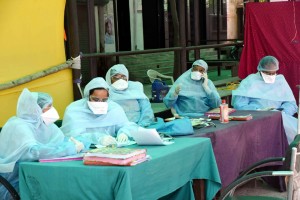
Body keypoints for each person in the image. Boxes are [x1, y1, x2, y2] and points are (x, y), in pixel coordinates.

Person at [0, 88, 84, 199]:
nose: (52, 110)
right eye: (48, 108)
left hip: (38, 175)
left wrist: (78, 142)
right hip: (16, 183)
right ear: (35, 109)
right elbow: (34, 152)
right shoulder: (17, 125)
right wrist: (68, 149)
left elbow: (62, 140)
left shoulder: (45, 124)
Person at [232, 55, 298, 144]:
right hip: (256, 117)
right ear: (260, 70)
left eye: (273, 73)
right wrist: (259, 111)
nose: (270, 76)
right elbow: (239, 104)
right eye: (267, 73)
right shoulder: (250, 81)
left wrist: (283, 111)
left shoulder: (280, 81)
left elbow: (291, 103)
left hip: (279, 117)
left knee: (295, 134)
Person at [61, 77, 138, 147]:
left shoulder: (114, 108)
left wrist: (124, 132)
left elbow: (127, 125)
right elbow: (71, 135)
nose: (100, 103)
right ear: (88, 97)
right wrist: (98, 138)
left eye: (104, 100)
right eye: (96, 99)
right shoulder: (74, 110)